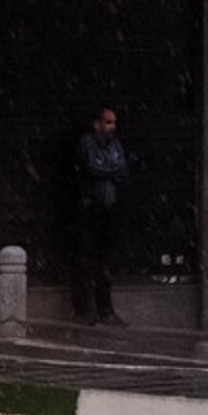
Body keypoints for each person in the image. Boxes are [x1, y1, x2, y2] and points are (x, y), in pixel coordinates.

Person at [72, 106, 128, 326]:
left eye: (114, 123)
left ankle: (104, 310)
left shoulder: (115, 145)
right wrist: (109, 169)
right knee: (86, 258)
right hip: (89, 208)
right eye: (108, 122)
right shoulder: (87, 143)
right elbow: (91, 169)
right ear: (97, 124)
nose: (112, 127)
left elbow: (122, 172)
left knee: (103, 259)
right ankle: (84, 309)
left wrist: (106, 168)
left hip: (108, 208)